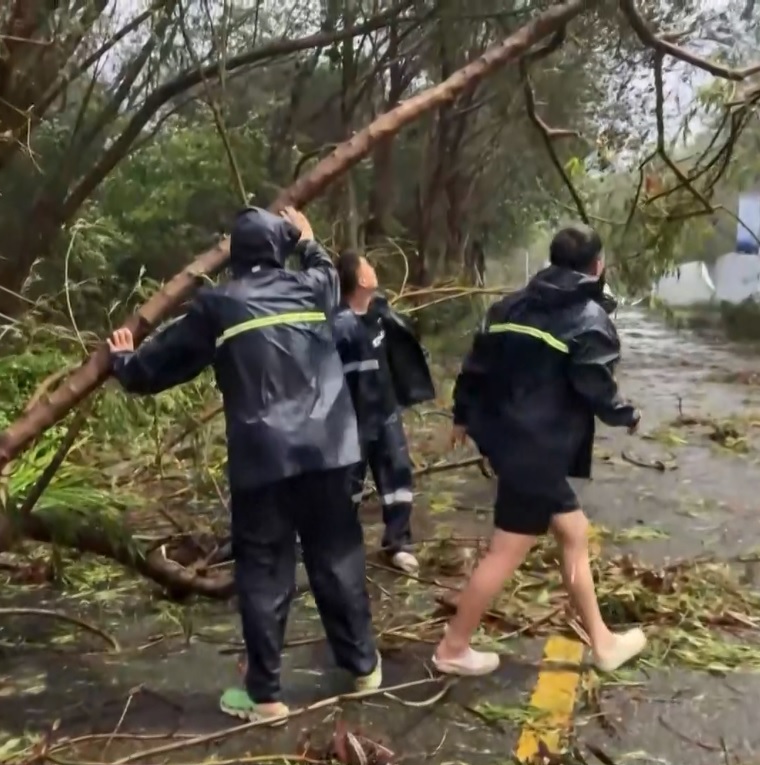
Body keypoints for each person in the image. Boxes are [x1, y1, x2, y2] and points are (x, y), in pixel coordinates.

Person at [107, 206, 381, 722]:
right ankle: (364, 665)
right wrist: (307, 236)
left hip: (265, 460)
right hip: (329, 452)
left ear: (233, 255)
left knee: (265, 572)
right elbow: (323, 264)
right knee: (337, 559)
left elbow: (164, 362)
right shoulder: (314, 287)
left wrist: (124, 362)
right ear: (280, 251)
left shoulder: (218, 304)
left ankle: (266, 695)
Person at [434, 225, 647, 676]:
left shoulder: (509, 306)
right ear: (597, 266)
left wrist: (461, 415)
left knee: (574, 533)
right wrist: (626, 415)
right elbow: (595, 385)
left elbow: (476, 366)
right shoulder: (589, 317)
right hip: (537, 448)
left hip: (509, 439)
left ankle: (602, 641)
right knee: (507, 551)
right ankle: (453, 646)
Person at [331, 250, 436, 574]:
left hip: (386, 412)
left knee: (397, 478)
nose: (374, 270)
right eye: (369, 267)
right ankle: (340, 550)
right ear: (361, 280)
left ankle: (398, 543)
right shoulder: (338, 326)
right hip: (351, 420)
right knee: (347, 486)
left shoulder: (380, 316)